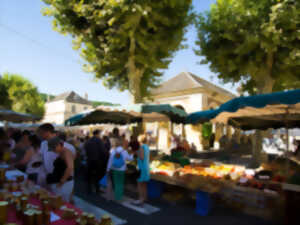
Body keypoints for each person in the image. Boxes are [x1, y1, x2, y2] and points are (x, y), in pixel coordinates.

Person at [46, 137, 74, 202]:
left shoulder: (66, 152)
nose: (53, 150)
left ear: (59, 145)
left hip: (64, 184)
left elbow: (70, 167)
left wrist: (62, 181)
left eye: (53, 148)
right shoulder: (62, 152)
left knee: (61, 202)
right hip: (59, 182)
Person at [133, 135, 150, 206]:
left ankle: (140, 199)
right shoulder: (147, 147)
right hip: (146, 166)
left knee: (139, 184)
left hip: (141, 167)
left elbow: (142, 157)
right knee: (144, 184)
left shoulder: (141, 147)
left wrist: (136, 153)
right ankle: (145, 198)